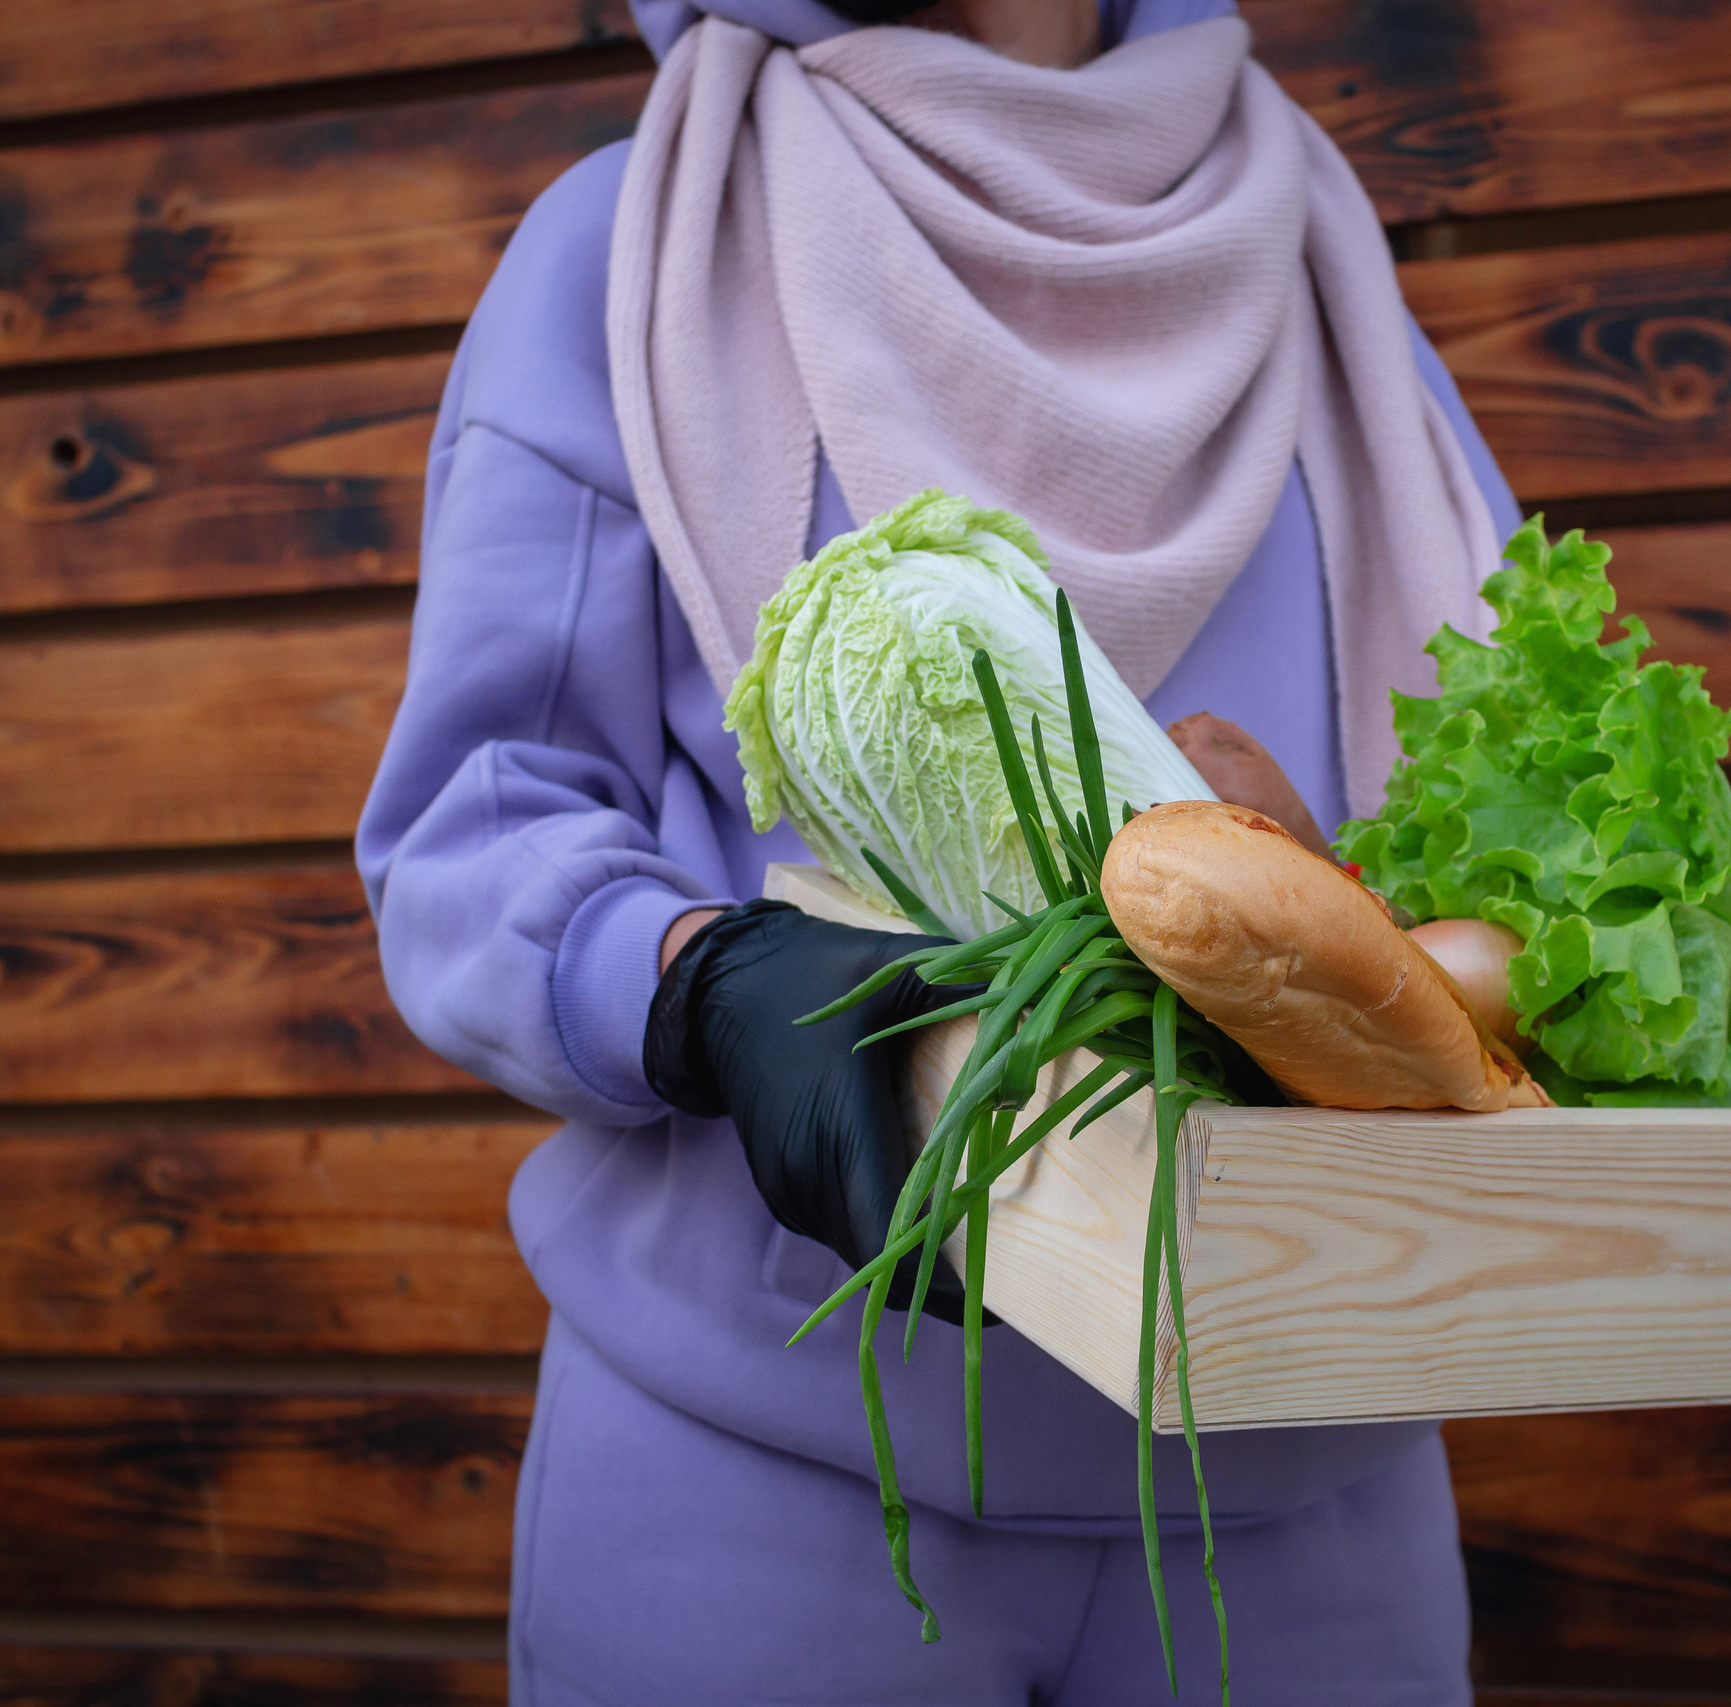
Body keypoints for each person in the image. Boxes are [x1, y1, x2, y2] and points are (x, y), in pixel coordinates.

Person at [357, 0, 1524, 1699]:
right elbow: (476, 824)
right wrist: (703, 986)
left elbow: (1494, 814)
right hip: (773, 1481)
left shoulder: (1333, 289)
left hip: (1304, 1493)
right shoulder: (631, 248)